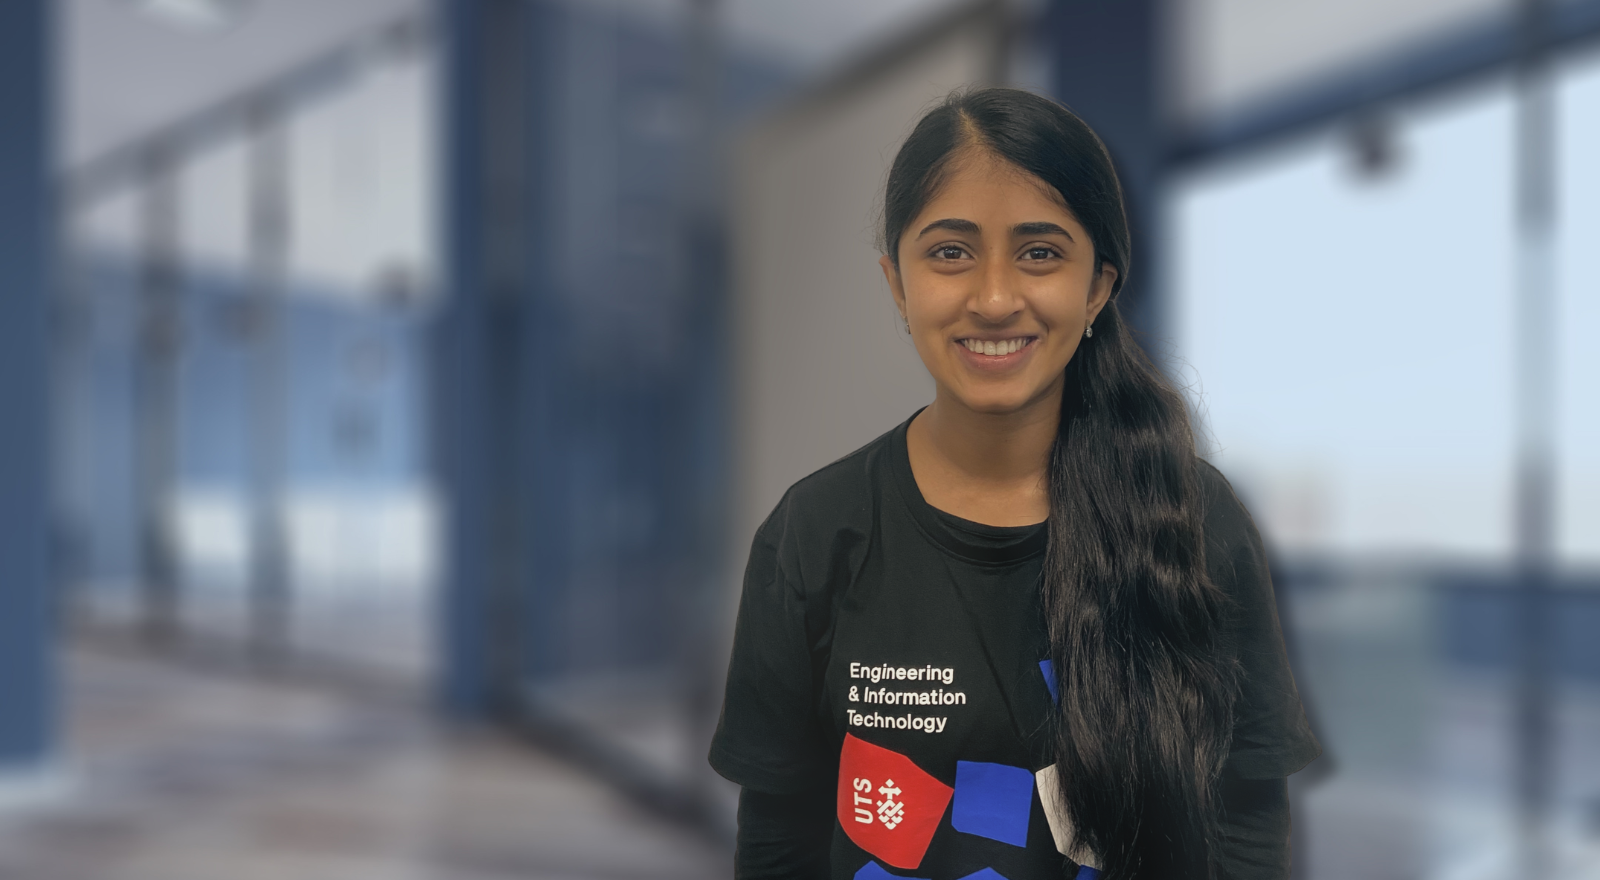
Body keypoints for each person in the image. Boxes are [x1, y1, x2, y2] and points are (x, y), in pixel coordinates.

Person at [708, 87, 1320, 880]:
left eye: (1040, 253)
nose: (995, 299)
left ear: (1097, 288)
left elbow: (1246, 825)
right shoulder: (815, 533)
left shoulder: (1195, 520)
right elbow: (778, 841)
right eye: (950, 252)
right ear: (897, 284)